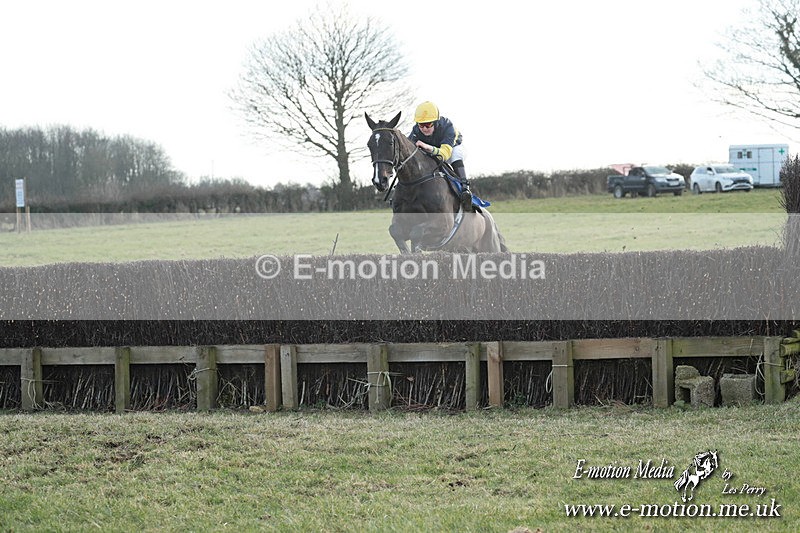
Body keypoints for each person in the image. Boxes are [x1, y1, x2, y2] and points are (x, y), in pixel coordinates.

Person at [408, 101, 472, 210]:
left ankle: (465, 189)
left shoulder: (448, 127)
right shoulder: (416, 131)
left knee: (455, 154)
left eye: (428, 125)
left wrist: (428, 147)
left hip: (452, 149)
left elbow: (445, 155)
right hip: (434, 151)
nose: (424, 129)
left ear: (436, 122)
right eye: (421, 125)